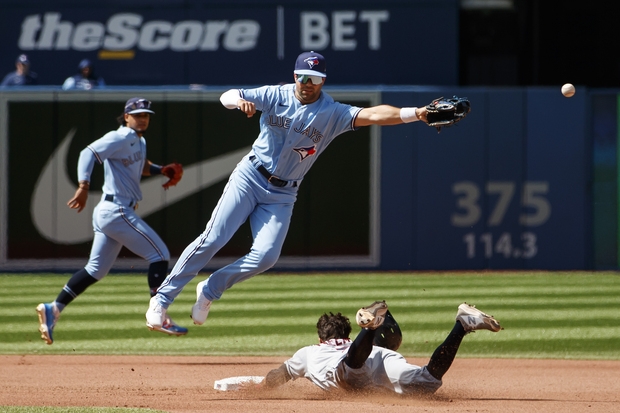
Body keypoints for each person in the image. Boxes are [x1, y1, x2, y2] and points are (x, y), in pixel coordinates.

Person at [145, 51, 432, 332]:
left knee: (266, 257)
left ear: (323, 81)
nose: (308, 83)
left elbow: (375, 114)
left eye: (315, 78)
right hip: (250, 176)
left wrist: (416, 114)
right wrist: (239, 100)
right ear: (294, 76)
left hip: (283, 194)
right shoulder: (276, 95)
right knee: (213, 238)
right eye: (303, 77)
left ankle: (210, 289)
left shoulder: (332, 112)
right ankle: (162, 299)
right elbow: (227, 95)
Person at [36, 97, 188, 345]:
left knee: (96, 270)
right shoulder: (119, 136)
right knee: (159, 255)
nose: (143, 118)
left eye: (146, 115)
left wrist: (161, 170)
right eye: (137, 114)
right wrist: (84, 185)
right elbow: (88, 153)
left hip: (111, 211)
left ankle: (53, 308)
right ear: (126, 116)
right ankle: (160, 314)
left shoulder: (138, 140)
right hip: (116, 209)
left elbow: (139, 165)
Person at [263, 301, 501, 394]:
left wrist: (262, 386)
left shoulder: (309, 352)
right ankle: (462, 324)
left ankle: (369, 328)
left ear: (320, 338)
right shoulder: (356, 346)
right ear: (345, 335)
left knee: (349, 371)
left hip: (351, 363)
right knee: (426, 382)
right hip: (380, 356)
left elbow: (277, 377)